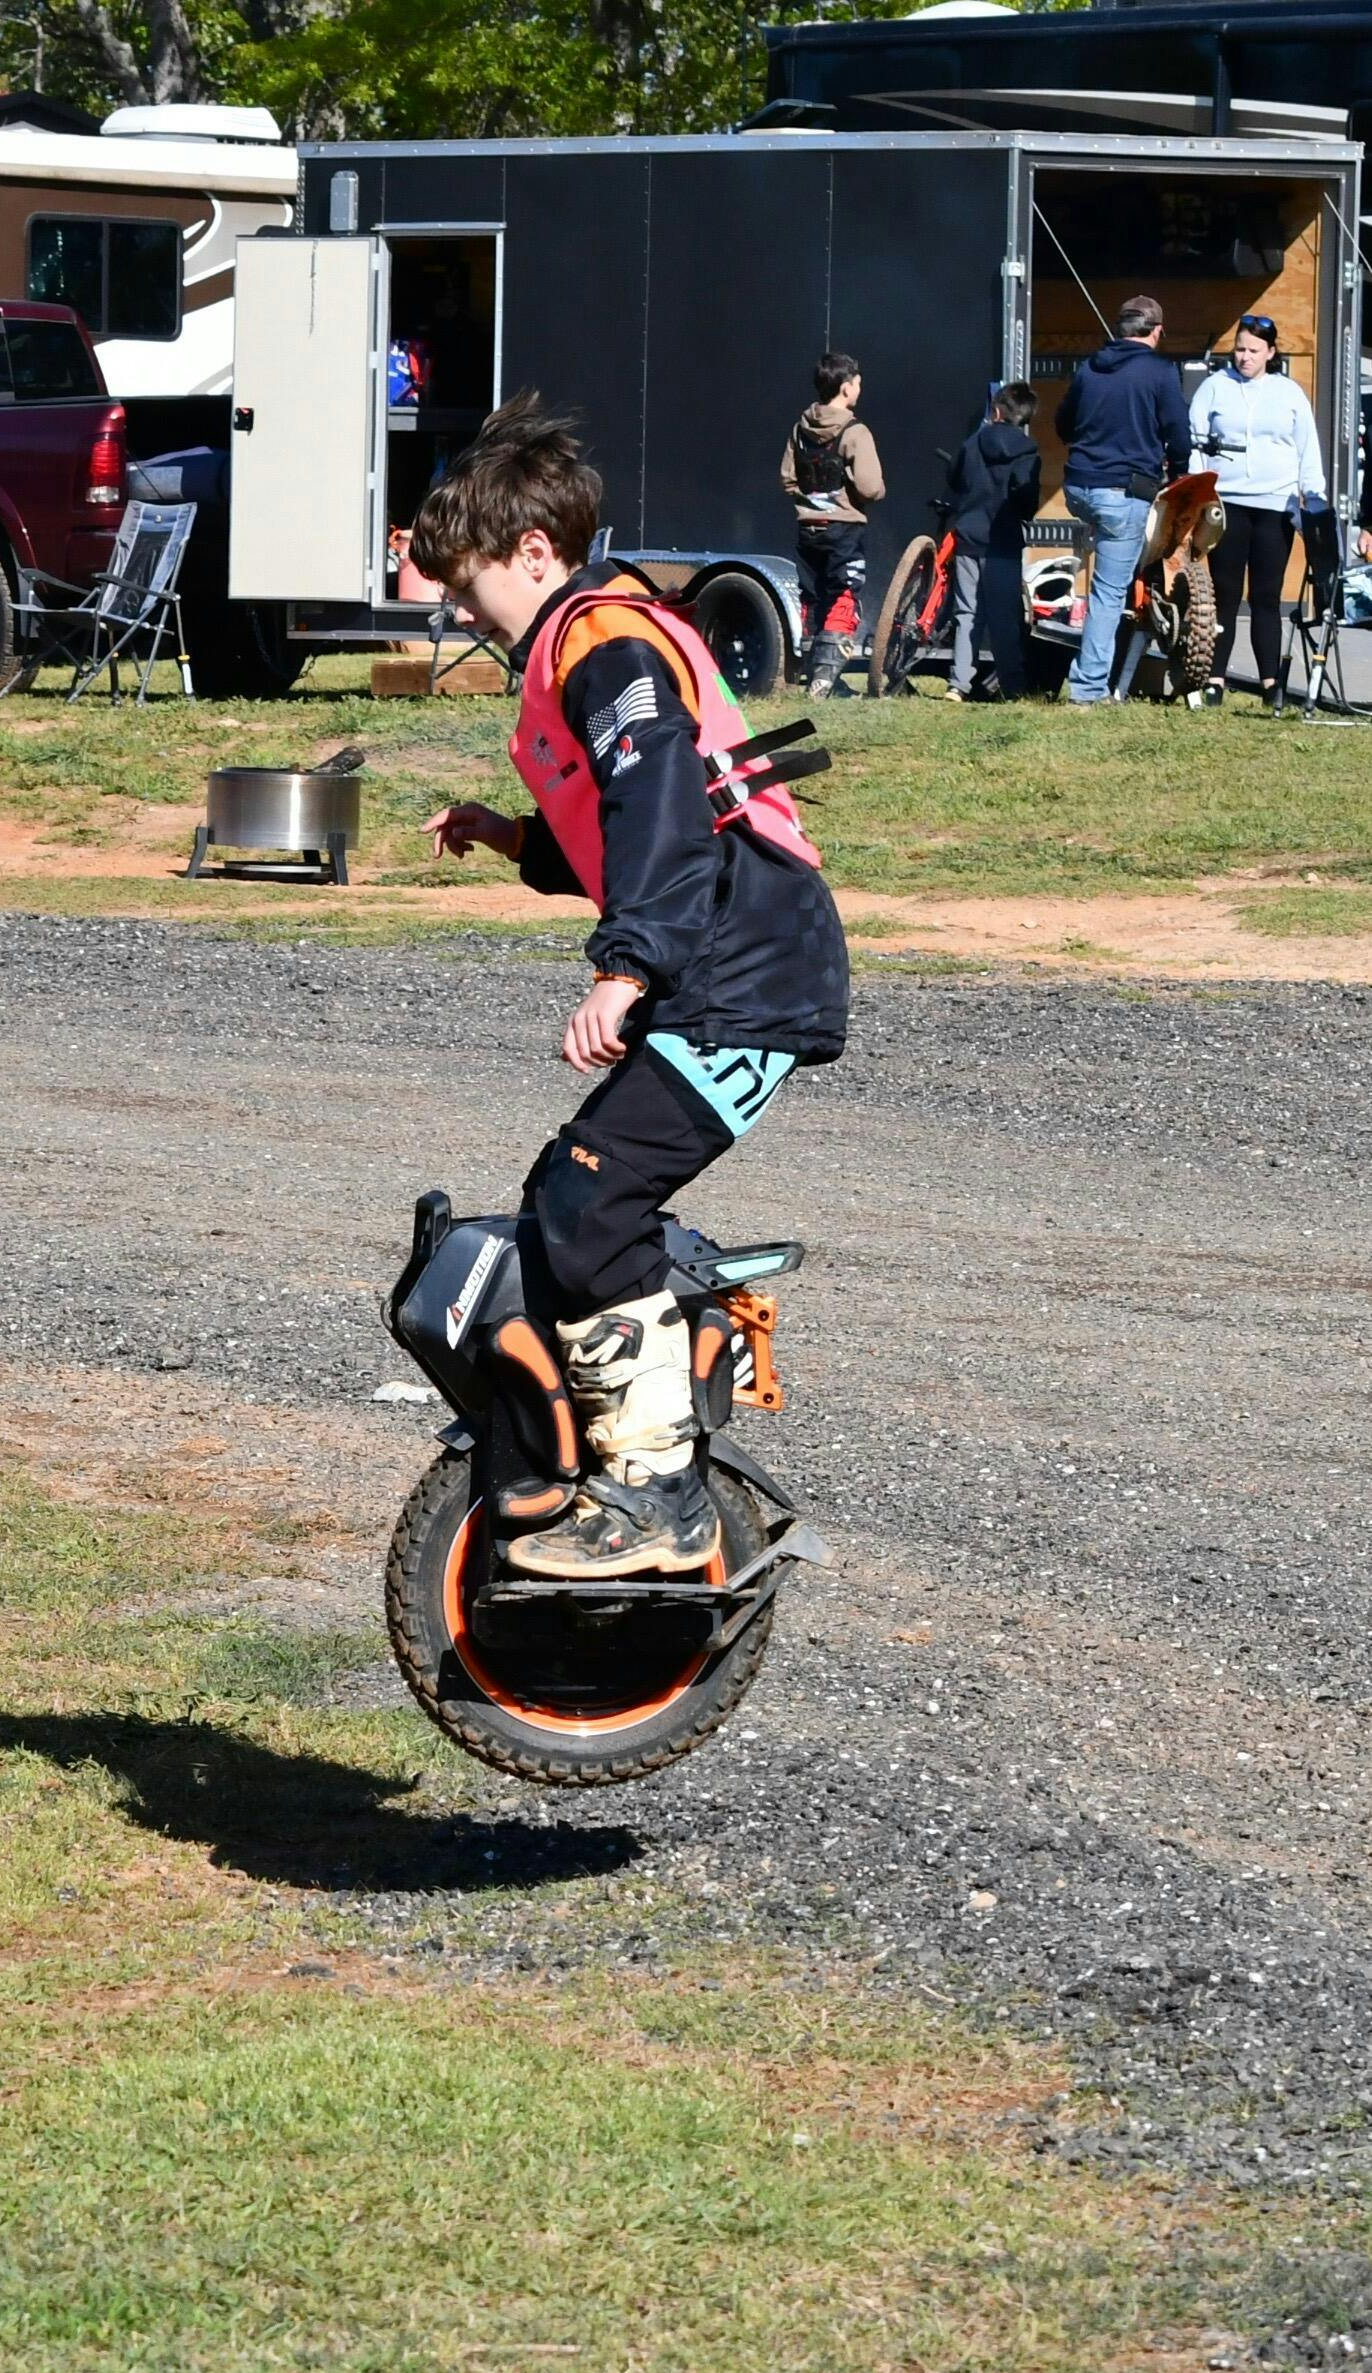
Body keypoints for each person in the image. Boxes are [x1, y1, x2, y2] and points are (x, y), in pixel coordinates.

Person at [411, 394, 850, 1581]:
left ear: (532, 552)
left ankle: (661, 1497)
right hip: (718, 962)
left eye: (467, 586)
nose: (459, 612)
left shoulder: (605, 643)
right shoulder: (580, 648)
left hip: (746, 971)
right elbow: (618, 827)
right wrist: (512, 835)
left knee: (588, 1204)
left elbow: (661, 814)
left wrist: (622, 970)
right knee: (569, 1202)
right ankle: (630, 1414)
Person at [1055, 295, 1192, 705]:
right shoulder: (1160, 372)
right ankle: (1088, 689)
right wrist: (1179, 471)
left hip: (1079, 488)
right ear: (1157, 331)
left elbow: (1063, 425)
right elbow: (1178, 433)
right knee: (1108, 593)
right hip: (1122, 492)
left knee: (1107, 567)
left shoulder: (1089, 368)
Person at [1188, 314, 1326, 707]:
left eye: (1253, 350)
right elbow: (1195, 443)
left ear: (1270, 352)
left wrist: (1313, 498)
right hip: (1228, 503)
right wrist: (1198, 493)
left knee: (1266, 595)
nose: (1244, 357)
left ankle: (1270, 683)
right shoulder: (1215, 387)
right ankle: (1214, 679)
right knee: (1226, 594)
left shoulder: (1289, 393)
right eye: (1239, 349)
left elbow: (1307, 449)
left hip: (1275, 505)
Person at [780, 349, 885, 699]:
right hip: (844, 529)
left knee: (814, 599)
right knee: (843, 595)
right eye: (858, 383)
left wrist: (809, 503)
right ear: (845, 387)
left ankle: (817, 676)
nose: (860, 389)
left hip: (807, 529)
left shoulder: (800, 429)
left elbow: (787, 478)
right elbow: (870, 487)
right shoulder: (856, 432)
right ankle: (824, 681)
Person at [943, 381, 1042, 701]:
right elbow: (1027, 500)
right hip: (1004, 544)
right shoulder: (1028, 453)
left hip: (969, 539)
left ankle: (958, 684)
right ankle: (1012, 686)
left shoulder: (972, 443)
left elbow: (954, 479)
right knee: (1004, 618)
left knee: (967, 613)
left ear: (996, 411)